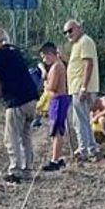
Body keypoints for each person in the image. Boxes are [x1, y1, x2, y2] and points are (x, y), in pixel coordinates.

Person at [0, 27, 39, 184]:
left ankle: (15, 171)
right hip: (31, 98)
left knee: (11, 137)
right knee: (26, 135)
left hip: (16, 101)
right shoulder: (15, 51)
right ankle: (27, 169)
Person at [63, 19, 100, 161]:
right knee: (82, 119)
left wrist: (84, 87)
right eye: (65, 32)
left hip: (82, 88)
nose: (68, 34)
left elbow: (88, 64)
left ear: (79, 28)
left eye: (70, 30)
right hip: (78, 88)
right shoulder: (78, 44)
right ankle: (91, 148)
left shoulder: (85, 41)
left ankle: (84, 149)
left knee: (80, 120)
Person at [38, 41, 70, 172]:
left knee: (57, 131)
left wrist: (45, 80)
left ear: (50, 54)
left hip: (59, 99)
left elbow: (52, 87)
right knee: (55, 131)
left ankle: (55, 160)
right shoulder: (57, 66)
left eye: (44, 57)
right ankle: (56, 157)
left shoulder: (57, 66)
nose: (44, 60)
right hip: (56, 100)